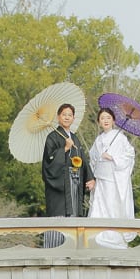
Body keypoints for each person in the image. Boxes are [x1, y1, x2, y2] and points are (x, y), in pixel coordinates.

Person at [42, 102, 95, 247]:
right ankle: (54, 249)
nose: (67, 117)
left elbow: (83, 159)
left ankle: (73, 248)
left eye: (70, 115)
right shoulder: (52, 137)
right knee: (59, 216)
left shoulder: (75, 138)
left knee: (75, 213)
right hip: (59, 186)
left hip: (75, 182)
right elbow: (48, 162)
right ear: (58, 117)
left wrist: (90, 178)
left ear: (73, 118)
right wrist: (64, 149)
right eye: (64, 114)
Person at [87, 107, 136, 248]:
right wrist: (93, 174)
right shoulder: (99, 139)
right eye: (102, 118)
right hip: (100, 179)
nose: (105, 120)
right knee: (98, 206)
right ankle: (96, 238)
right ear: (99, 122)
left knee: (112, 206)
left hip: (114, 180)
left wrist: (113, 157)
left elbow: (130, 154)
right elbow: (92, 158)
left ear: (113, 120)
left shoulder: (120, 138)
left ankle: (114, 240)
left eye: (108, 117)